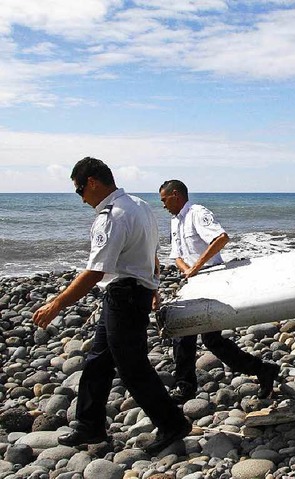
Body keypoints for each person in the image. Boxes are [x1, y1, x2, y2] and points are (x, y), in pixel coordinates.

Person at [33, 157, 191, 455]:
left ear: (92, 182)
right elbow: (151, 251)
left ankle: (172, 423)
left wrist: (57, 304)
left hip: (125, 296)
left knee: (132, 367)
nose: (81, 199)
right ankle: (89, 424)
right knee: (98, 361)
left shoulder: (113, 215)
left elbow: (95, 272)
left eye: (80, 190)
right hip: (129, 293)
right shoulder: (139, 206)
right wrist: (153, 285)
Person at [159, 180, 280, 403]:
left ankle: (186, 386)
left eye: (164, 200)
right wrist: (187, 270)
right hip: (193, 282)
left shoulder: (197, 213)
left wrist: (196, 267)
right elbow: (176, 255)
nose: (163, 205)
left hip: (211, 279)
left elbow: (220, 238)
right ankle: (187, 385)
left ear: (175, 195)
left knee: (206, 338)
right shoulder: (175, 222)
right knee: (192, 336)